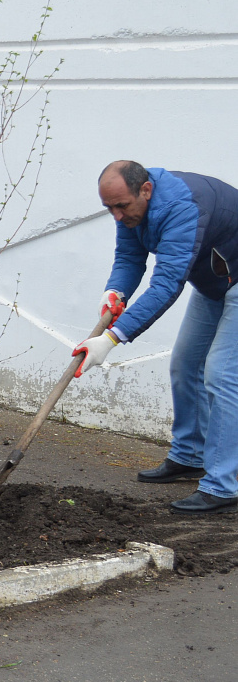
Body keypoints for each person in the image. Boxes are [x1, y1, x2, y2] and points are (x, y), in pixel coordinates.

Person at [73, 160, 238, 515]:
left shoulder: (182, 207)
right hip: (215, 283)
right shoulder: (132, 209)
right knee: (185, 364)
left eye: (121, 206)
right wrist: (115, 290)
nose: (116, 216)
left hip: (234, 279)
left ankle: (223, 486)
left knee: (221, 375)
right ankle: (190, 456)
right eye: (109, 209)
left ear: (145, 190)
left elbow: (166, 285)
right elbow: (130, 257)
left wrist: (114, 337)